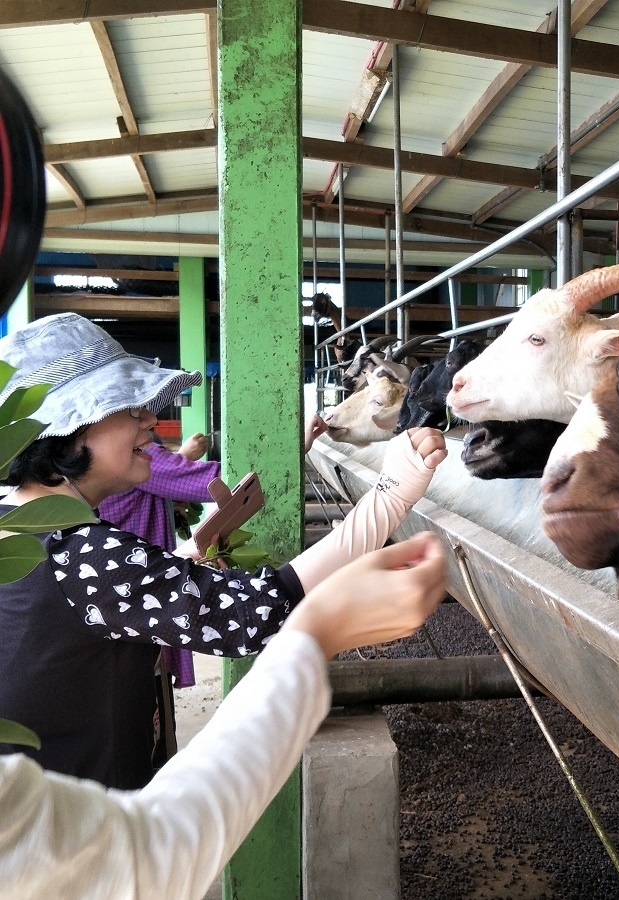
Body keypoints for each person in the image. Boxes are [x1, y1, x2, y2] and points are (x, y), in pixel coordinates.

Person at [0, 312, 447, 789]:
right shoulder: (83, 555)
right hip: (85, 839)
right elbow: (256, 612)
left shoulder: (19, 526)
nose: (151, 419)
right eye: (130, 408)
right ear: (70, 430)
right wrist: (390, 497)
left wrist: (180, 560)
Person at [0, 534, 447, 899]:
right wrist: (317, 630)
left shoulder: (18, 533)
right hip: (101, 797)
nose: (144, 426)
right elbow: (246, 612)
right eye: (125, 416)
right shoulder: (80, 553)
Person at [99, 430, 222, 691]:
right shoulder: (133, 453)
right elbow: (223, 481)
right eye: (135, 412)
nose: (149, 419)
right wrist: (297, 444)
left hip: (116, 606)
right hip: (143, 604)